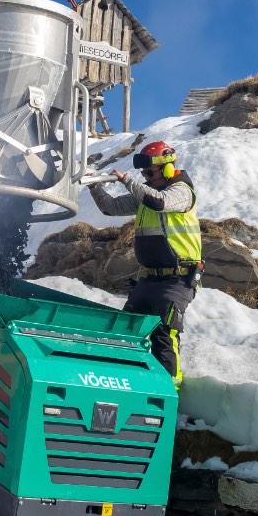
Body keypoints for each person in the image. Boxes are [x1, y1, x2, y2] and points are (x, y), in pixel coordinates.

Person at [89, 139, 201, 385]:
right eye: (143, 174)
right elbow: (111, 208)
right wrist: (94, 186)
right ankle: (130, 384)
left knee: (163, 334)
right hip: (151, 278)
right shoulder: (147, 194)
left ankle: (170, 390)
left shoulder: (182, 192)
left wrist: (128, 180)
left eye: (150, 173)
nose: (146, 178)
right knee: (128, 330)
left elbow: (158, 202)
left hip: (178, 278)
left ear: (168, 168)